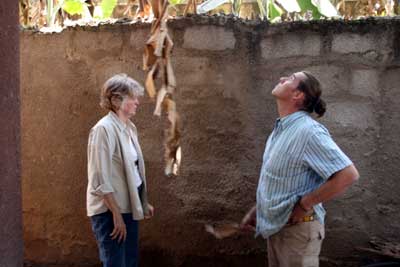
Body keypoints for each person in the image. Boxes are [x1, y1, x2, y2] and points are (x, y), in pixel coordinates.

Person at [241, 71, 359, 267]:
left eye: (290, 79)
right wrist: (259, 210)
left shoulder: (308, 131)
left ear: (298, 95)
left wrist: (304, 205)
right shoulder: (281, 129)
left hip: (298, 232)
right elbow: (278, 179)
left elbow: (348, 175)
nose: (281, 79)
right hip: (279, 228)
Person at [86, 73, 154, 267]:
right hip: (110, 211)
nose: (137, 102)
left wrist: (143, 201)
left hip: (129, 207)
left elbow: (133, 170)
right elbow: (99, 178)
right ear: (116, 100)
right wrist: (116, 214)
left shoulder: (129, 128)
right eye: (133, 97)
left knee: (129, 262)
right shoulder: (103, 129)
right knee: (116, 263)